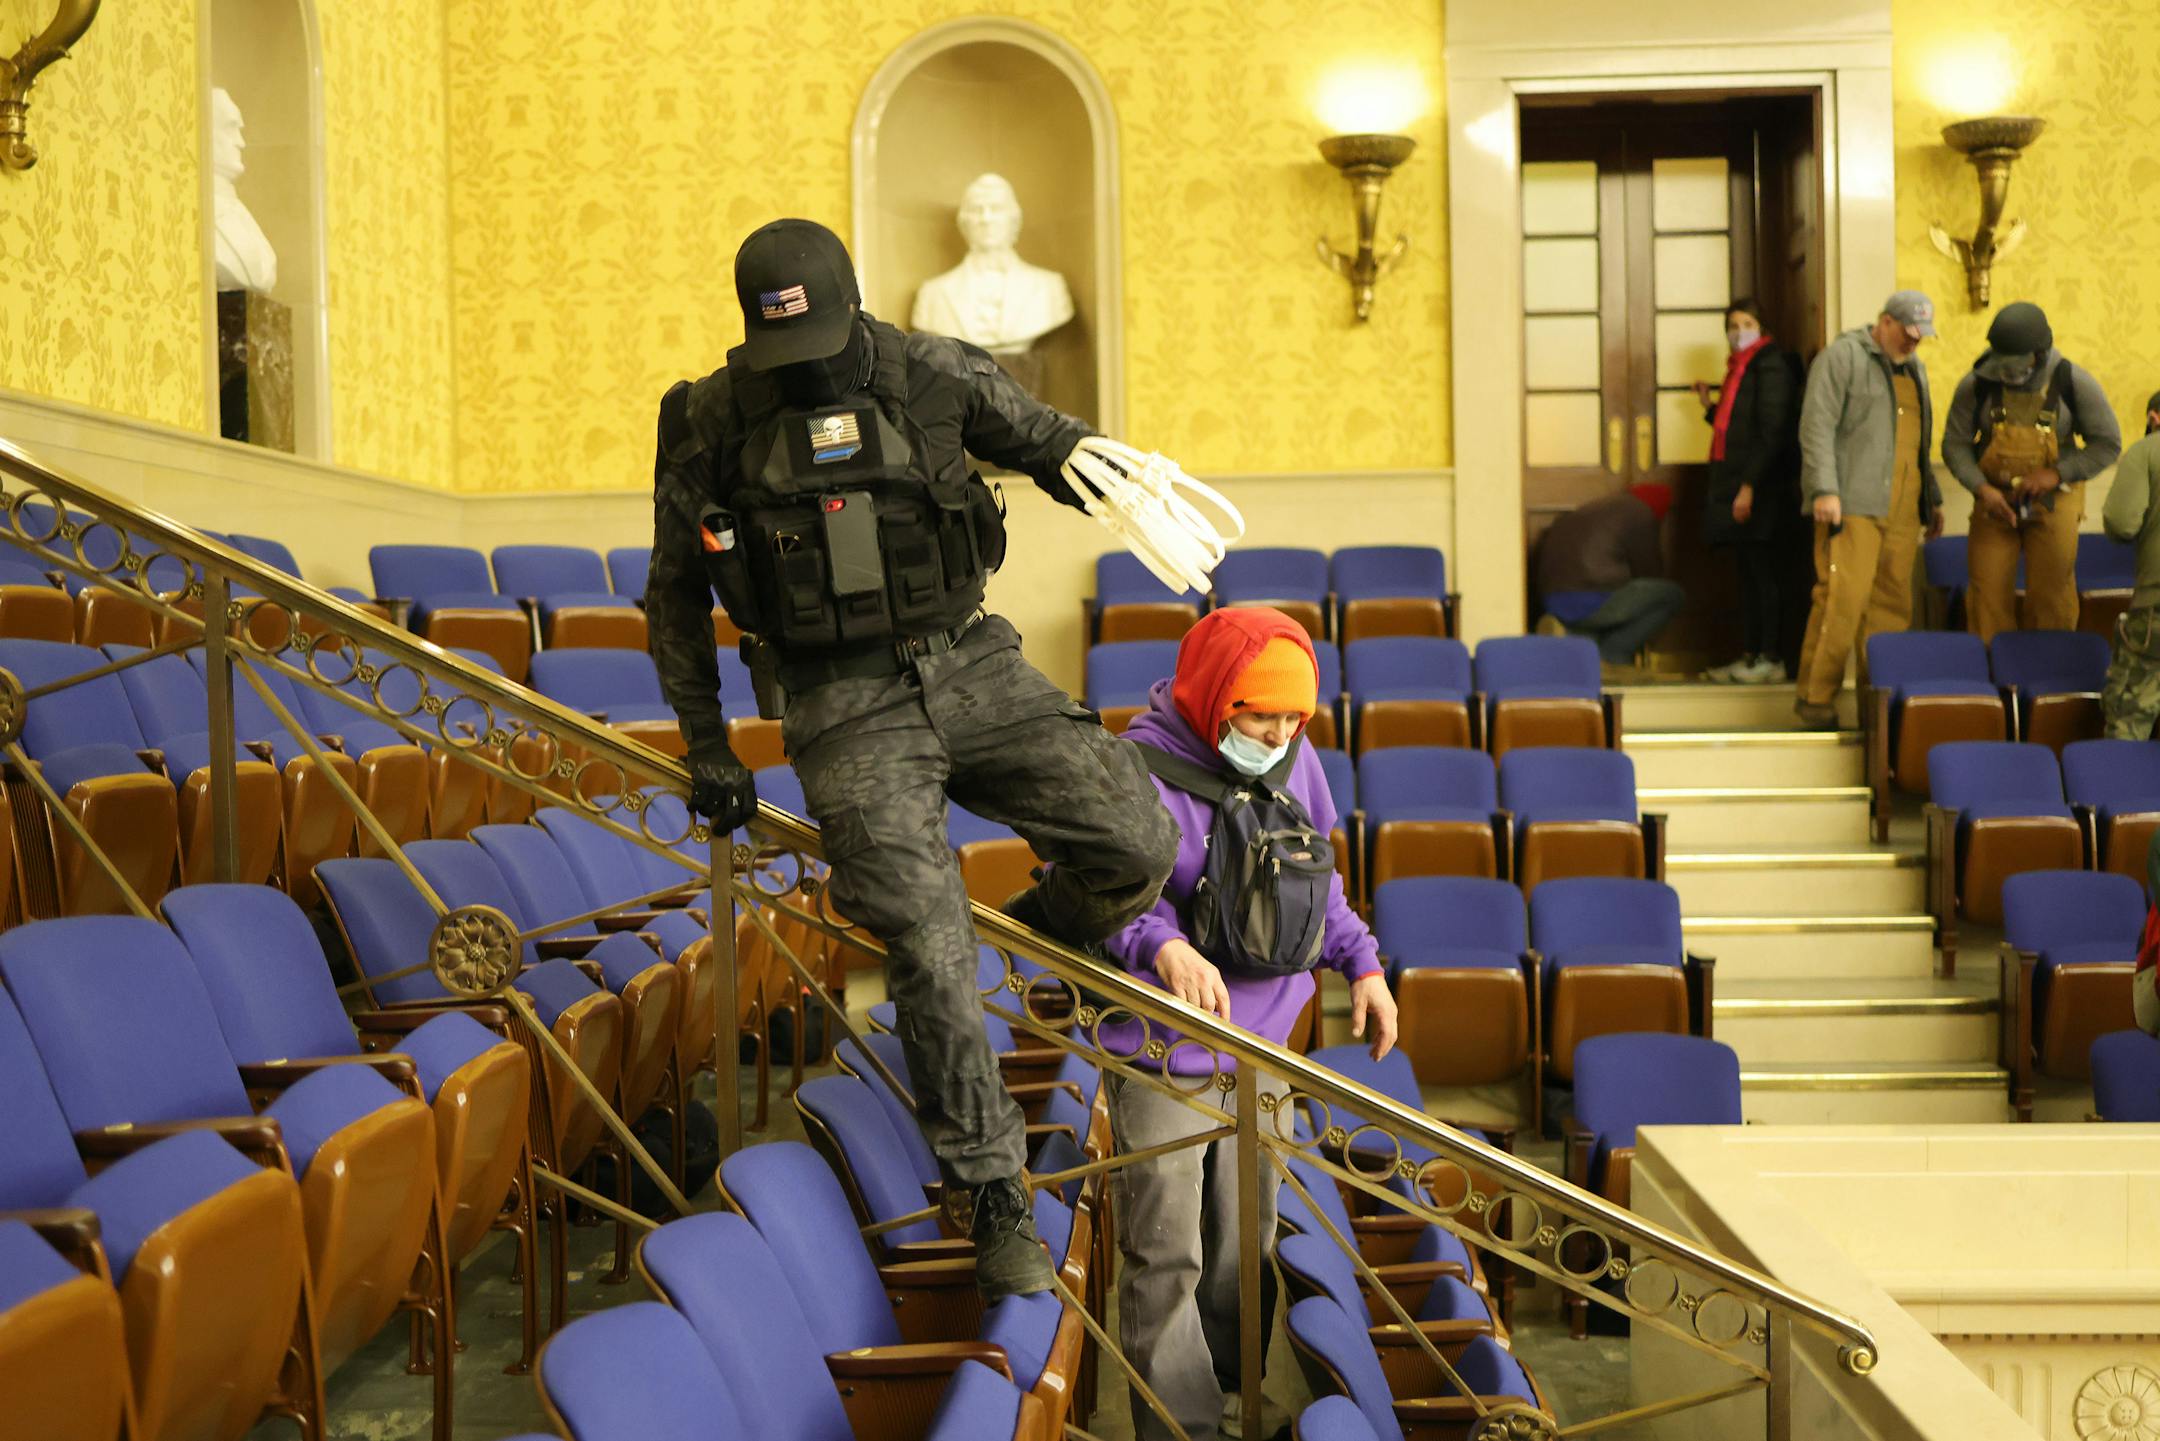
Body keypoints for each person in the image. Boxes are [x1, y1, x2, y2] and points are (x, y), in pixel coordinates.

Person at [646, 218, 1179, 1301]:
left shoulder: (935, 368)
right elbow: (674, 593)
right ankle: (989, 1191)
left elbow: (1042, 436)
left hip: (969, 660)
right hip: (842, 704)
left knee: (1141, 839)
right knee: (931, 946)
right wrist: (706, 744)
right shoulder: (704, 417)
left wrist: (1091, 465)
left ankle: (1041, 932)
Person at [1098, 606, 1397, 1441]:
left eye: (1292, 717)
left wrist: (1363, 964)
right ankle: (1180, 1426)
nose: (1274, 732)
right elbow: (1091, 884)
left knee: (1243, 1252)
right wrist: (1161, 947)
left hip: (1261, 1047)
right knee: (1168, 1253)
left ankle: (1236, 1404)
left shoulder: (1296, 763)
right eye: (1256, 712)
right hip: (1165, 1048)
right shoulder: (1135, 767)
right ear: (1210, 694)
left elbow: (1319, 883)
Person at [1792, 291, 1946, 730]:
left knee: (1892, 608)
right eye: (1909, 334)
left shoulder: (1916, 369)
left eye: (1922, 337)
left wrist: (1930, 496)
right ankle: (1815, 700)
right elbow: (1816, 426)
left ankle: (1875, 710)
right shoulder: (1841, 357)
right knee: (1842, 601)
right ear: (1885, 322)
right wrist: (1824, 489)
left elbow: (1919, 440)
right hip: (1852, 503)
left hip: (1904, 508)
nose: (1915, 343)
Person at [1943, 301, 2123, 642]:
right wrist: (1982, 489)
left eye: (2014, 366)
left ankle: (2049, 678)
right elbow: (1954, 444)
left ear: (2039, 355)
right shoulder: (1977, 384)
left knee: (2052, 595)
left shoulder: (2073, 381)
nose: (2005, 374)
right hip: (1994, 503)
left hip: (2056, 502)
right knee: (1987, 595)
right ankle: (1996, 683)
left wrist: (2057, 473)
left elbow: (2108, 443)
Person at [1692, 299, 1802, 683]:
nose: (1739, 331)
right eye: (1733, 325)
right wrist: (1710, 407)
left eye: (1748, 323)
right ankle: (1751, 654)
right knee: (1747, 572)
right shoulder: (1740, 369)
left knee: (1762, 571)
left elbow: (1770, 432)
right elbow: (1736, 426)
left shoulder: (1769, 366)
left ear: (1763, 327)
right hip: (1738, 484)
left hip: (1760, 487)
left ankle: (1769, 656)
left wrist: (1749, 487)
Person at [911, 173, 1076, 354]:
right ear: (964, 222)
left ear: (1014, 220)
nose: (986, 219)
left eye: (996, 209)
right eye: (976, 210)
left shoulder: (1049, 288)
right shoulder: (933, 294)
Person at [1532, 482, 1685, 677]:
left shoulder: (1594, 508)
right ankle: (1615, 654)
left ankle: (1569, 637)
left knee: (1599, 627)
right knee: (1671, 594)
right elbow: (1648, 570)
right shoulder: (1642, 513)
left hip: (1551, 599)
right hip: (1593, 599)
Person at [2098, 389, 2160, 740]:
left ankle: (2119, 796)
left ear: (2154, 417)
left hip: (2156, 609)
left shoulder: (2146, 451)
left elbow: (2121, 523)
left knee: (2129, 717)